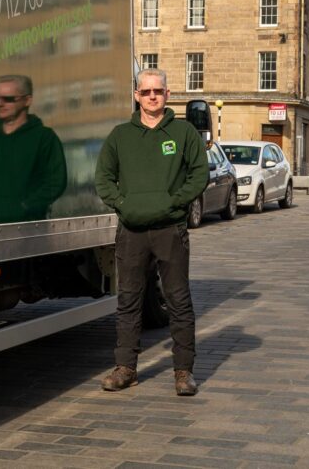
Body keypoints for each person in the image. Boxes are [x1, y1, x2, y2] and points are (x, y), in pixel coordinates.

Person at [94, 68, 207, 396]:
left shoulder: (184, 133)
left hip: (170, 229)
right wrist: (123, 205)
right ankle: (126, 368)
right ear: (136, 95)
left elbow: (199, 175)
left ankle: (183, 372)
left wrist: (175, 202)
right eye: (146, 92)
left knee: (178, 299)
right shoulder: (120, 136)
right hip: (131, 230)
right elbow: (104, 178)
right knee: (129, 300)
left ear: (168, 94)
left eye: (158, 91)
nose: (152, 96)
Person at [0, 75, 67, 224]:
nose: (0, 103)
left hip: (29, 230)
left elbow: (56, 182)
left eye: (8, 99)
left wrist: (25, 207)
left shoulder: (44, 138)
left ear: (27, 100)